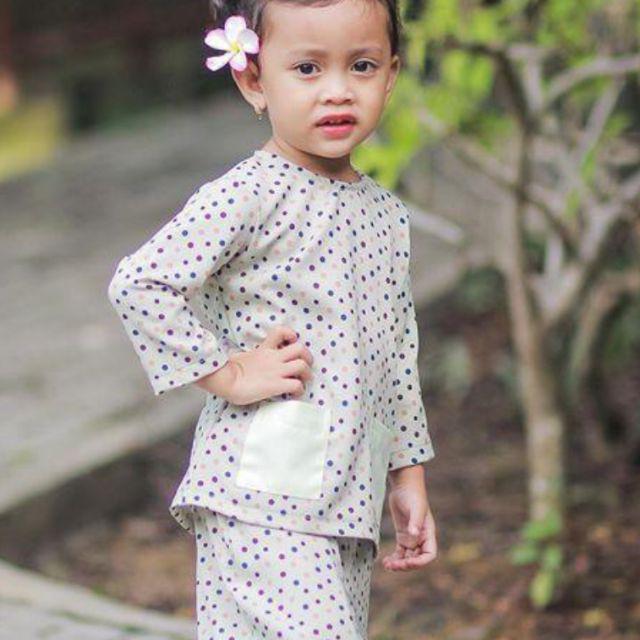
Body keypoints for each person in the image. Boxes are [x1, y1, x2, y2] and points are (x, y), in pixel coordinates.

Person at [107, 0, 438, 637]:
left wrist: (407, 472)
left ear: (391, 74)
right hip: (261, 499)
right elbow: (140, 283)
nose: (338, 90)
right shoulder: (249, 194)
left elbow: (397, 354)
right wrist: (226, 373)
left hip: (349, 501)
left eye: (362, 66)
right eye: (308, 68)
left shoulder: (387, 216)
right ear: (254, 81)